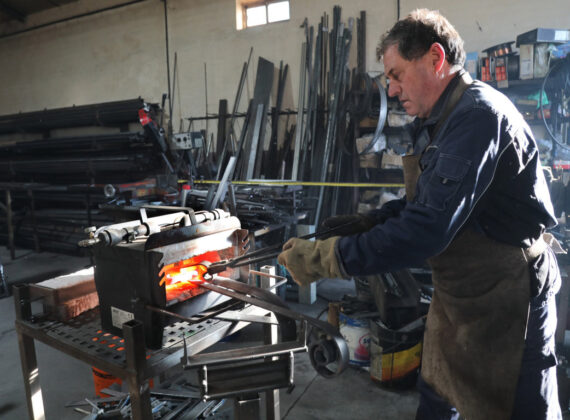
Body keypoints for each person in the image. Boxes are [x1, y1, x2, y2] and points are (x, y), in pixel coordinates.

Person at [278, 9, 563, 420]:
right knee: (436, 398)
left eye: (396, 74)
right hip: (460, 294)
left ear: (435, 58)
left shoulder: (477, 117)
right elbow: (426, 204)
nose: (391, 90)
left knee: (520, 411)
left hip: (509, 297)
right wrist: (371, 221)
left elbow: (426, 230)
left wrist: (329, 258)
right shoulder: (436, 121)